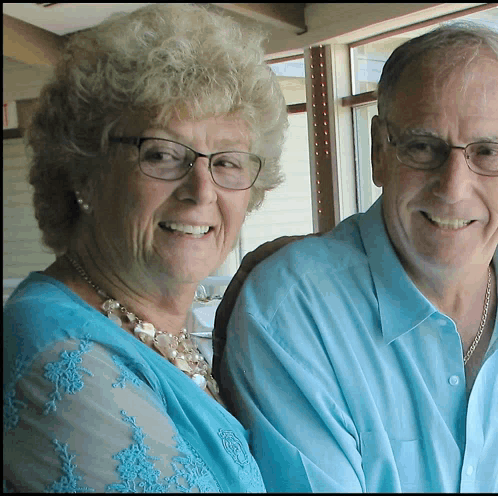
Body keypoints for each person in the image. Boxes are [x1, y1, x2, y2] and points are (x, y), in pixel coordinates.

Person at [215, 22, 498, 492]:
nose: (453, 188)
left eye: (489, 152)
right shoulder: (291, 313)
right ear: (378, 151)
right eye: (422, 147)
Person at [3, 3, 288, 492]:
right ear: (83, 174)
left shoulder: (167, 334)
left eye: (227, 162)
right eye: (162, 154)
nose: (202, 191)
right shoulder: (54, 347)